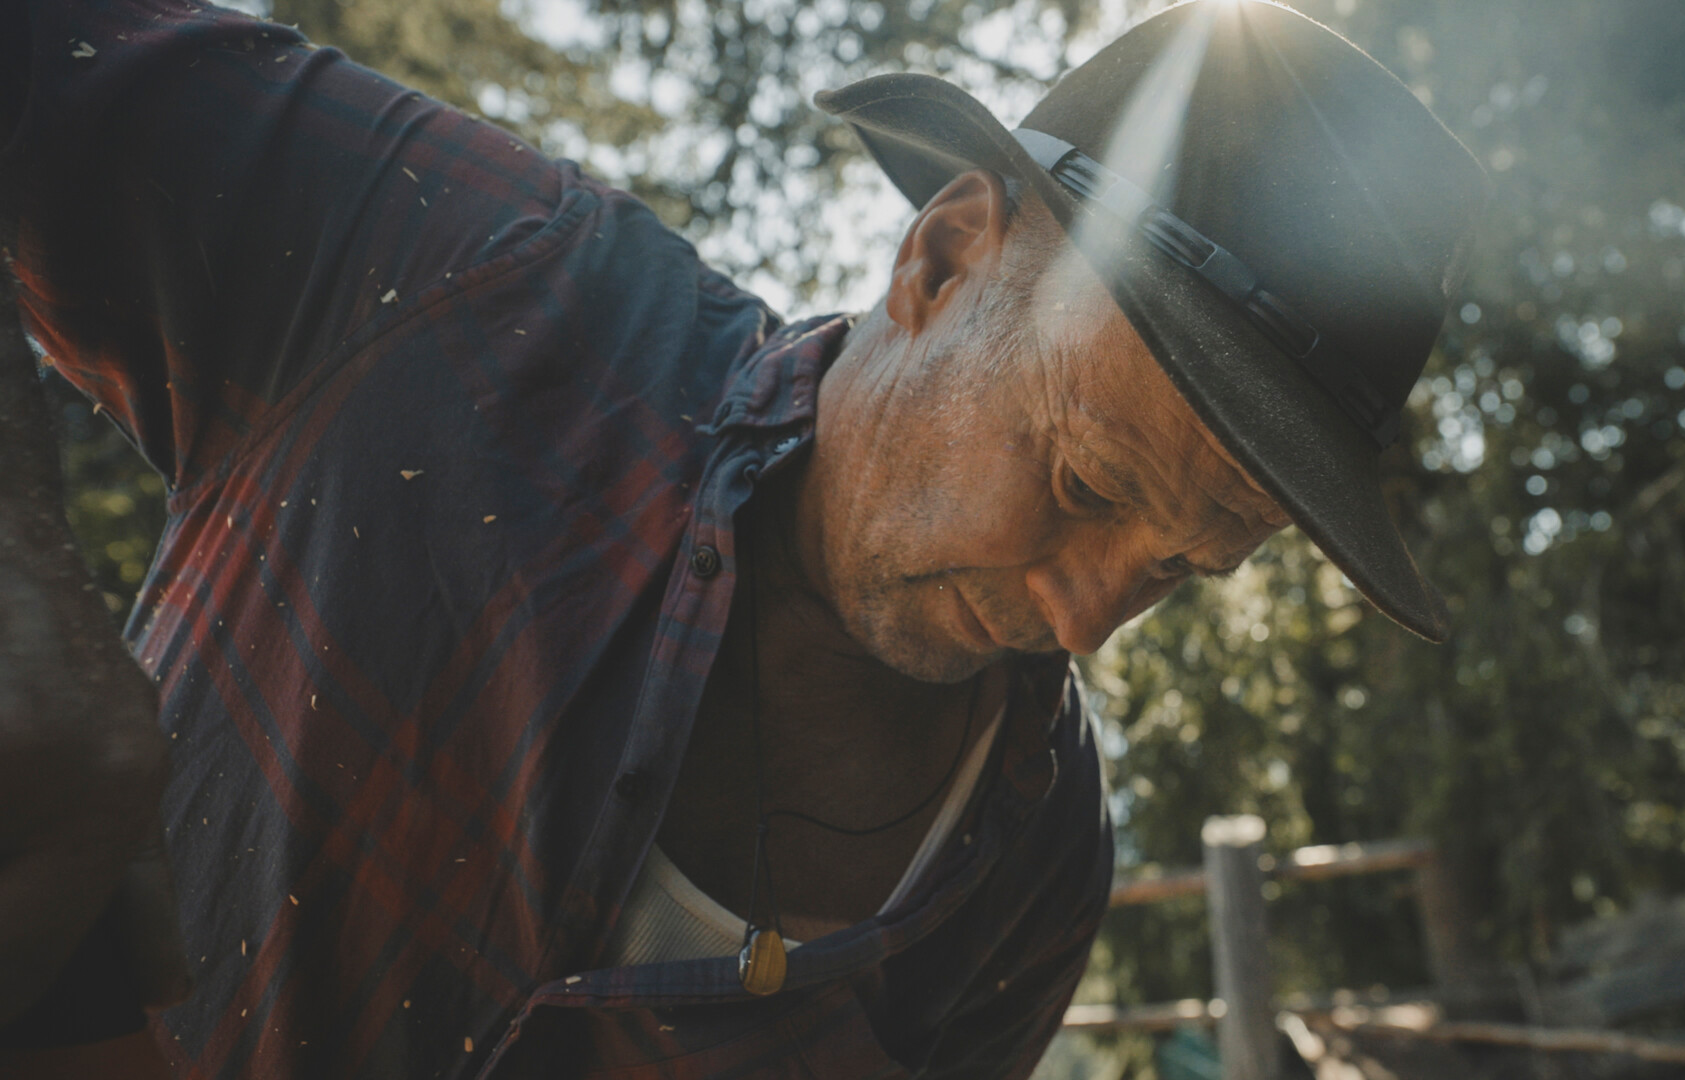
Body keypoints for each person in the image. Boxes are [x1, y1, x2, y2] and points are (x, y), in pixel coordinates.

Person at [0, 0, 1485, 1075]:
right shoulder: (465, 271)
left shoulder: (1030, 859)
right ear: (945, 255)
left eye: (1181, 565)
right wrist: (24, 587)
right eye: (1091, 484)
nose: (1093, 619)